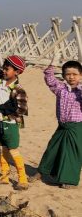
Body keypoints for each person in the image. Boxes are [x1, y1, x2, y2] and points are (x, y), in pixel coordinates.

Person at [0, 43, 29, 190]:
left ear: (17, 72)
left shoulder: (18, 90)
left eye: (7, 69)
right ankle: (4, 177)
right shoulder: (0, 80)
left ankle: (22, 179)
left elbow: (21, 109)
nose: (3, 70)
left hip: (10, 124)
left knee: (13, 150)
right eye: (4, 68)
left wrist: (6, 117)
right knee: (2, 149)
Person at [35, 57, 82, 188]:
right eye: (68, 74)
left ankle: (69, 181)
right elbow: (49, 79)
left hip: (76, 127)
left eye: (75, 74)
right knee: (52, 148)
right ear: (63, 76)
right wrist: (53, 63)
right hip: (62, 126)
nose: (71, 77)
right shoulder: (61, 89)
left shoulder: (81, 91)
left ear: (80, 75)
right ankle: (42, 172)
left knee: (72, 153)